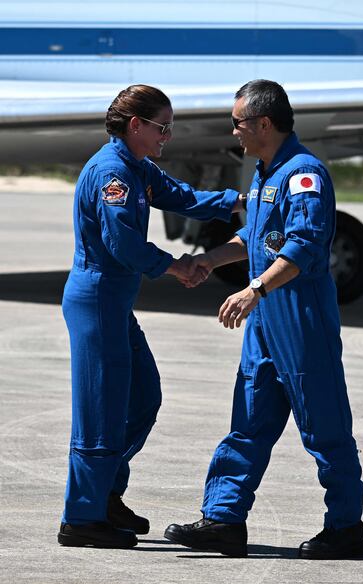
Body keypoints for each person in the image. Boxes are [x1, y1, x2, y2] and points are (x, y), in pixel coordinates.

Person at [164, 80, 363, 559]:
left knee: (324, 429)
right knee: (249, 422)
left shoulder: (304, 175)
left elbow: (301, 248)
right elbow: (254, 238)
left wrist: (253, 289)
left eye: (238, 122)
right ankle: (224, 520)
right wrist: (208, 260)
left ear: (264, 123)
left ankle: (345, 528)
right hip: (265, 322)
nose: (233, 130)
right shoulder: (264, 174)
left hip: (300, 320)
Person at [58, 85, 243, 549]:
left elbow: (183, 198)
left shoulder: (138, 168)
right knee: (100, 411)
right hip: (97, 298)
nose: (168, 136)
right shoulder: (112, 173)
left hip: (116, 302)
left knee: (143, 396)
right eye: (162, 127)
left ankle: (106, 494)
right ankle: (81, 517)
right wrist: (177, 266)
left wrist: (244, 201)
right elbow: (122, 244)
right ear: (135, 125)